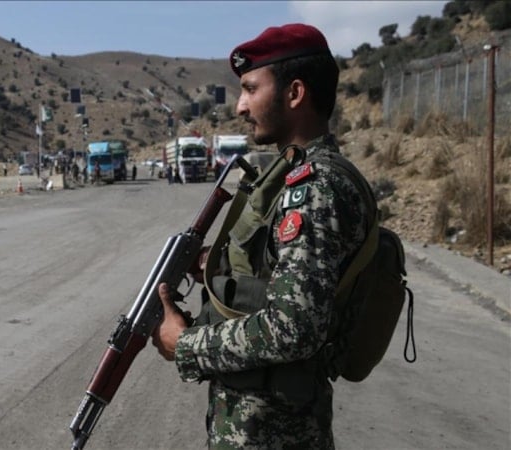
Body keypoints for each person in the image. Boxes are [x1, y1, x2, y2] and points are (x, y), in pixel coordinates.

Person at [151, 23, 373, 448]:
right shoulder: (299, 176)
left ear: (295, 93)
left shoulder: (315, 188)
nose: (240, 106)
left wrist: (186, 345)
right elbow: (284, 277)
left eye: (251, 89)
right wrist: (219, 270)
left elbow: (294, 327)